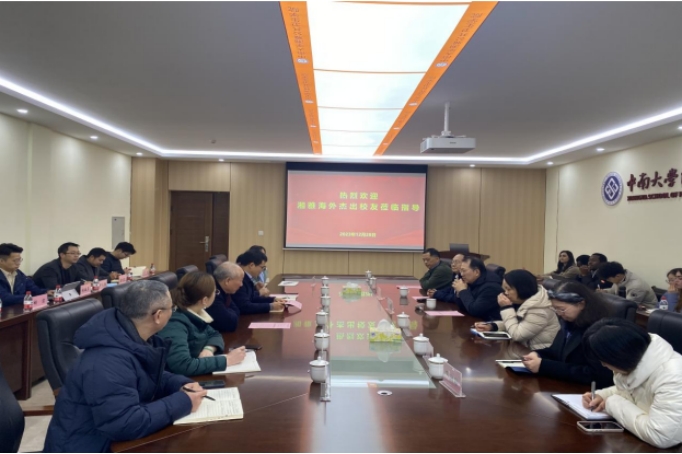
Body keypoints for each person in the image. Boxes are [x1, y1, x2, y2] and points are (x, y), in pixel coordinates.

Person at [43, 280, 206, 452]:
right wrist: (183, 402)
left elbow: (145, 376)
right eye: (171, 308)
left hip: (111, 441)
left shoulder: (130, 335)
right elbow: (124, 424)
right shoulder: (107, 360)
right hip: (90, 447)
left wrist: (180, 384)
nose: (173, 312)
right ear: (158, 316)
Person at [582, 319, 682, 449]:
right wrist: (603, 395)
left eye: (604, 361)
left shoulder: (674, 376)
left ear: (619, 356)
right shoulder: (640, 358)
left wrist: (611, 403)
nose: (604, 365)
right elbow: (636, 389)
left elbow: (660, 436)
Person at [520, 280, 613, 388]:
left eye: (562, 309)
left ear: (581, 304)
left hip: (586, 391)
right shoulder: (569, 322)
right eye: (555, 309)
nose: (559, 313)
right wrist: (537, 354)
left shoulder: (599, 331)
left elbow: (597, 375)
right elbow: (556, 352)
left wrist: (543, 366)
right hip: (565, 385)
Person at [159, 271, 246, 376]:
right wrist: (227, 360)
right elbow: (182, 366)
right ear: (205, 300)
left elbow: (214, 334)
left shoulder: (196, 313)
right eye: (215, 292)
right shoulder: (175, 323)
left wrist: (209, 349)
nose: (216, 295)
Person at [474, 269, 560, 350]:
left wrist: (506, 308)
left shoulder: (539, 310)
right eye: (505, 289)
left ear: (522, 289)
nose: (505, 293)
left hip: (538, 353)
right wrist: (492, 326)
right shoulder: (528, 300)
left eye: (508, 289)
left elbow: (517, 335)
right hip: (523, 349)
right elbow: (517, 324)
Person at [233, 250, 285, 314]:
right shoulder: (239, 278)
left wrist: (273, 299)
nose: (262, 271)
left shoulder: (247, 277)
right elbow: (245, 306)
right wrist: (270, 306)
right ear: (251, 265)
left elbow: (252, 298)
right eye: (262, 267)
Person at [206, 261, 244, 332]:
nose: (241, 285)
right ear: (227, 281)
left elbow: (237, 311)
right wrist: (229, 311)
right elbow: (229, 323)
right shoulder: (212, 293)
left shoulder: (224, 291)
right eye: (240, 280)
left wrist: (228, 311)